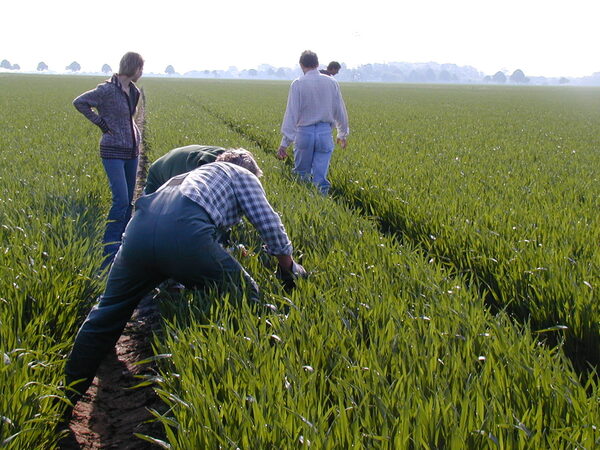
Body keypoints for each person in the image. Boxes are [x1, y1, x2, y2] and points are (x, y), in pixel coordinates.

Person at [62, 149, 306, 417]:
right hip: (184, 231)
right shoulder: (241, 174)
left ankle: (65, 398)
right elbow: (268, 223)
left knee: (107, 311)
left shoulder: (188, 176)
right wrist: (288, 266)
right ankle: (266, 370)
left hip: (137, 234)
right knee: (245, 295)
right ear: (249, 170)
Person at [73, 51, 144, 267]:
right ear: (133, 67)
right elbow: (80, 102)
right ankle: (109, 253)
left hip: (132, 151)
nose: (142, 72)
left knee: (129, 202)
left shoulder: (134, 91)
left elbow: (129, 118)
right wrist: (102, 125)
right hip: (112, 151)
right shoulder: (107, 89)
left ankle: (124, 247)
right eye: (141, 67)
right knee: (120, 200)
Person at [277, 50, 349, 195]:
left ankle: (304, 205)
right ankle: (321, 205)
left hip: (304, 133)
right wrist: (342, 133)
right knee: (320, 177)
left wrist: (285, 143)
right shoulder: (331, 82)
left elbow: (292, 114)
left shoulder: (298, 83)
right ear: (317, 64)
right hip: (324, 133)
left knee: (301, 175)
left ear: (301, 65)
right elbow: (340, 109)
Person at [144, 144, 225, 194]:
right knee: (149, 212)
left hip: (176, 159)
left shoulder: (229, 157)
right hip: (158, 173)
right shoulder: (205, 168)